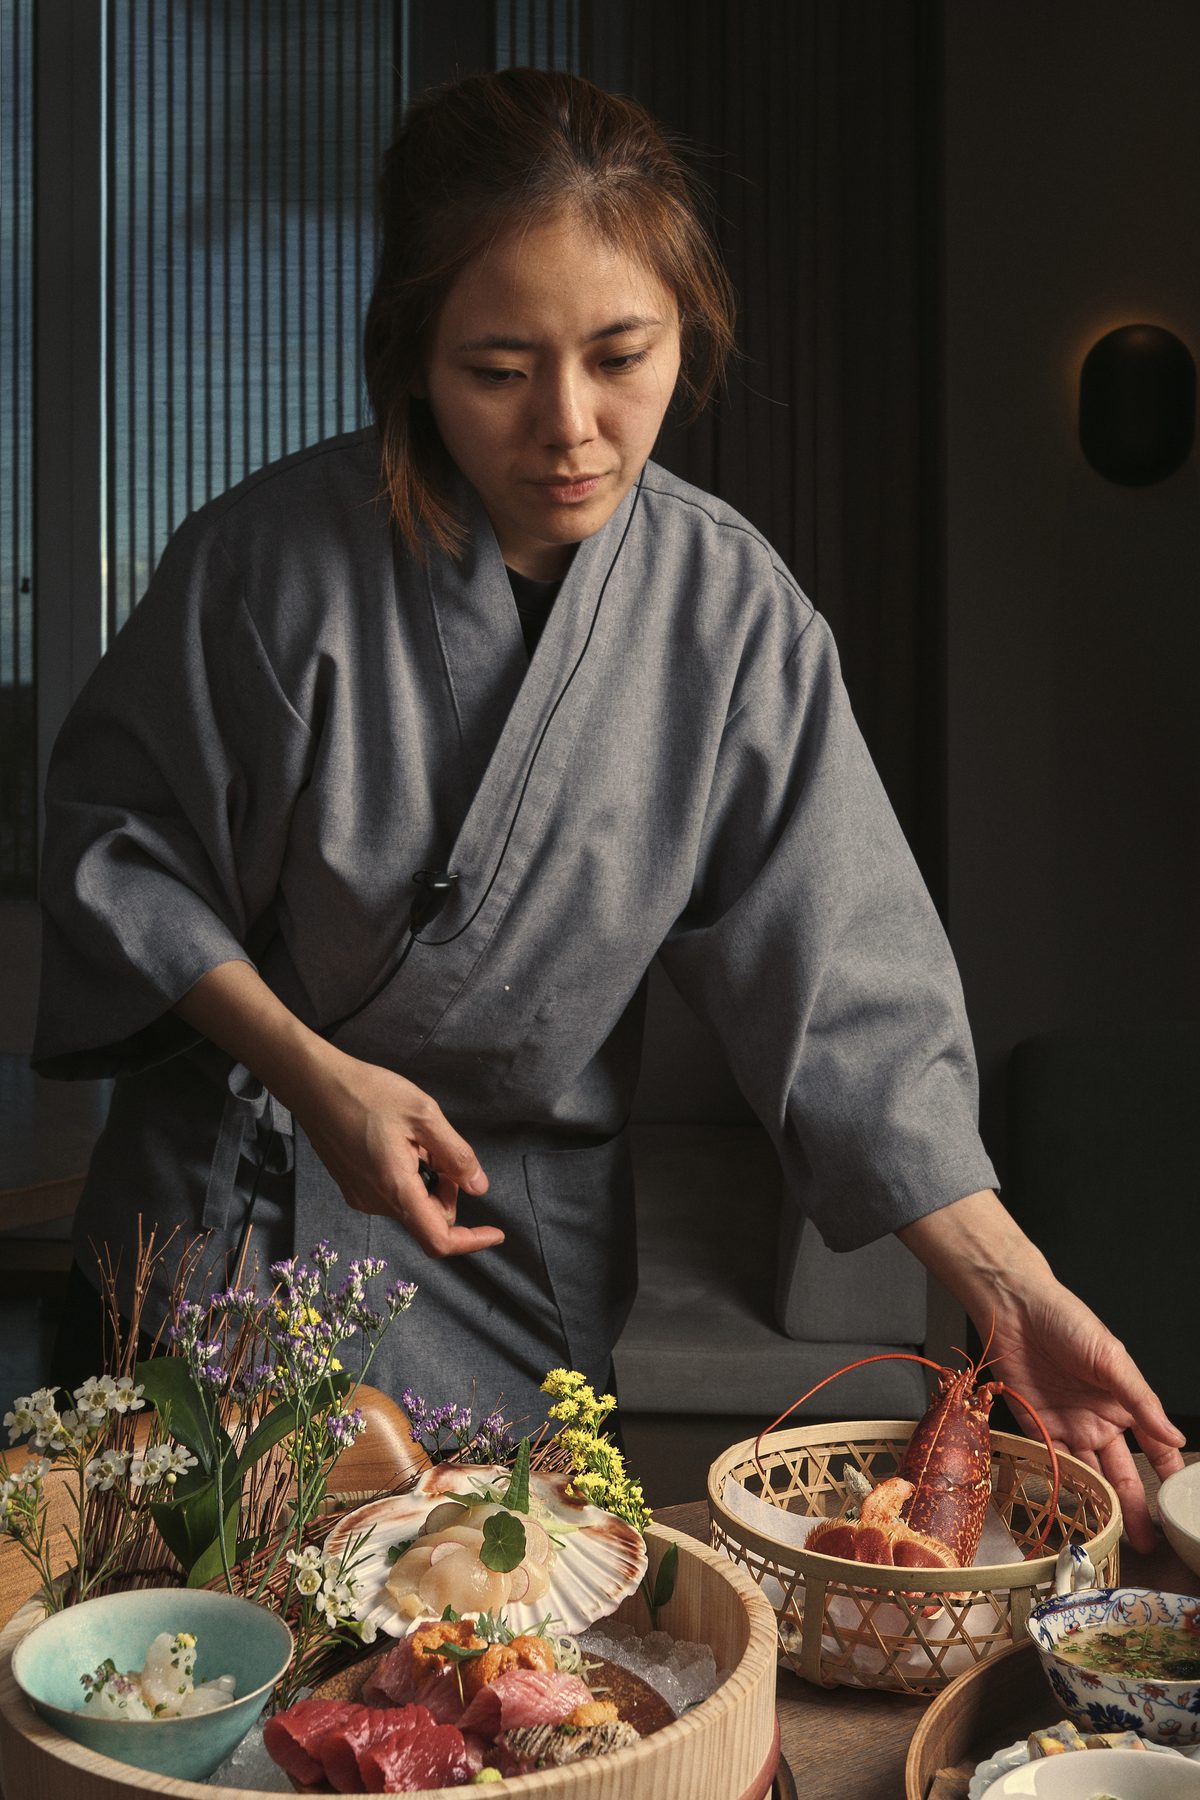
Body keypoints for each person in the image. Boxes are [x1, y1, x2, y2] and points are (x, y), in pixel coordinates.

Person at [34, 69, 1182, 1548]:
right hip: (236, 1214)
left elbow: (851, 998)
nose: (570, 427)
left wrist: (1015, 1295)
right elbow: (120, 848)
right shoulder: (267, 566)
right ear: (413, 359)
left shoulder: (732, 620)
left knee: (519, 1631)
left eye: (621, 355)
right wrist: (312, 1071)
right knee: (185, 1637)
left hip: (503, 1241)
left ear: (686, 328)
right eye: (498, 369)